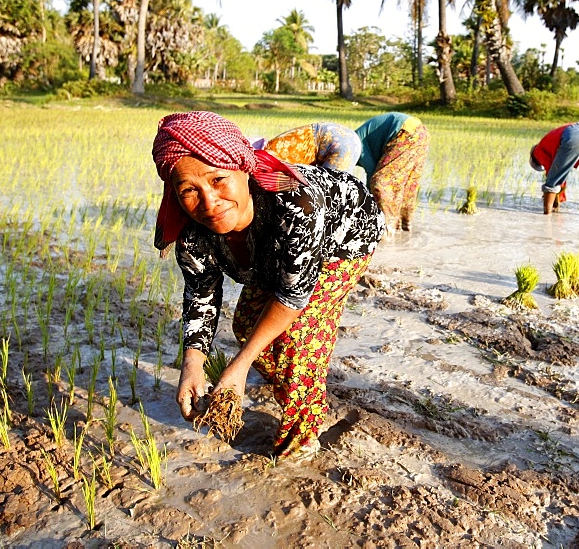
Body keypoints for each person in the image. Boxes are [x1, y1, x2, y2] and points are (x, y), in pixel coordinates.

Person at [152, 111, 385, 459]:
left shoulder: (298, 206)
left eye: (218, 180)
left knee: (298, 344)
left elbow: (292, 296)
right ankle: (293, 386)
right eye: (189, 190)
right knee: (246, 326)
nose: (209, 203)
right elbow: (201, 297)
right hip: (274, 256)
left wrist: (239, 366)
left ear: (244, 168)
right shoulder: (191, 236)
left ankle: (300, 443)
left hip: (344, 239)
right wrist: (192, 364)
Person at [355, 112, 430, 237]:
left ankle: (386, 230)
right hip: (421, 132)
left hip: (405, 133)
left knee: (380, 182)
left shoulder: (354, 144)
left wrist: (367, 205)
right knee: (406, 185)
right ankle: (404, 229)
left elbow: (372, 173)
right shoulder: (352, 140)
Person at [528, 122, 579, 215]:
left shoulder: (537, 152)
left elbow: (555, 174)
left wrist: (557, 199)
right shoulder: (549, 141)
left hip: (574, 135)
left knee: (553, 181)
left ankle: (547, 214)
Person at [263, 122, 362, 173]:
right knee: (338, 187)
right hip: (348, 138)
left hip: (338, 143)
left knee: (328, 188)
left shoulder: (269, 159)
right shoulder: (273, 146)